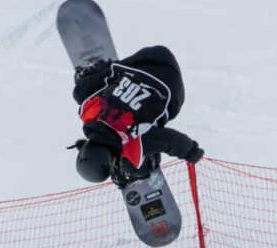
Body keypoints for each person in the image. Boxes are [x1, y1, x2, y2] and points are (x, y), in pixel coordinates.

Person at [69, 45, 203, 185]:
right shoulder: (89, 112)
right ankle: (99, 69)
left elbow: (172, 140)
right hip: (150, 57)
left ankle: (149, 162)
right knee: (80, 93)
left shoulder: (135, 140)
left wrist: (193, 153)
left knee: (132, 164)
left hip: (171, 85)